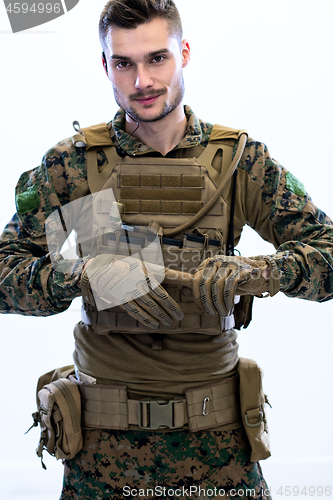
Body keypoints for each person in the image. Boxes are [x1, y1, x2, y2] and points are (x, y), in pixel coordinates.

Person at [0, 0, 332, 499]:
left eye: (158, 58)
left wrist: (260, 271)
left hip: (218, 443)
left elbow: (326, 253)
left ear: (185, 53)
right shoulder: (69, 166)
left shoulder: (241, 162)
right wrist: (81, 275)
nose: (141, 81)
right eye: (124, 63)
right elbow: (5, 273)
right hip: (100, 451)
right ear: (105, 65)